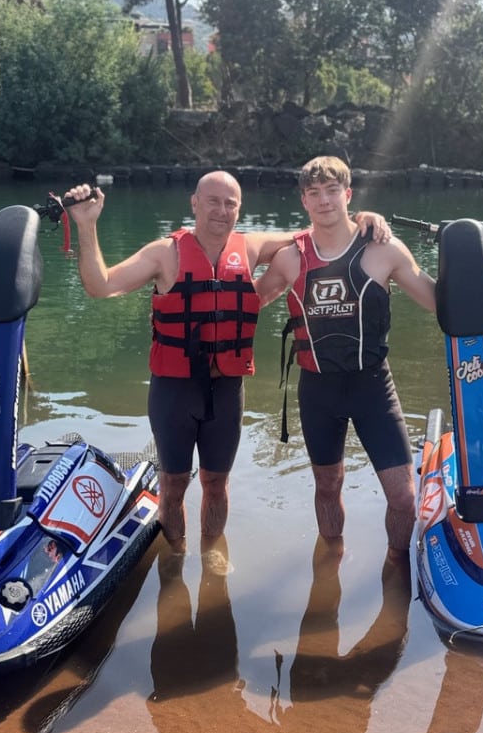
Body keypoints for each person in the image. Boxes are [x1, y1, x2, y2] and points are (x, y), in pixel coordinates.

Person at [63, 172, 391, 545]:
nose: (221, 210)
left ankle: (211, 553)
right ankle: (174, 556)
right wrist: (86, 226)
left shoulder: (251, 247)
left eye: (230, 203)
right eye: (213, 201)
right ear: (195, 204)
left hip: (226, 389)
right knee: (173, 484)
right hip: (174, 391)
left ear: (239, 209)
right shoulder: (164, 253)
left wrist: (362, 219)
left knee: (216, 483)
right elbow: (100, 285)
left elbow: (318, 232)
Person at [255, 156, 483, 564]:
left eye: (332, 191)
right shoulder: (290, 258)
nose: (324, 201)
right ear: (304, 201)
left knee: (403, 497)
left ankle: (396, 564)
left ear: (348, 194)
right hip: (317, 390)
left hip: (372, 387)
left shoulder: (384, 249)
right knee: (327, 486)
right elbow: (248, 302)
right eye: (314, 193)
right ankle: (331, 562)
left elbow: (441, 304)